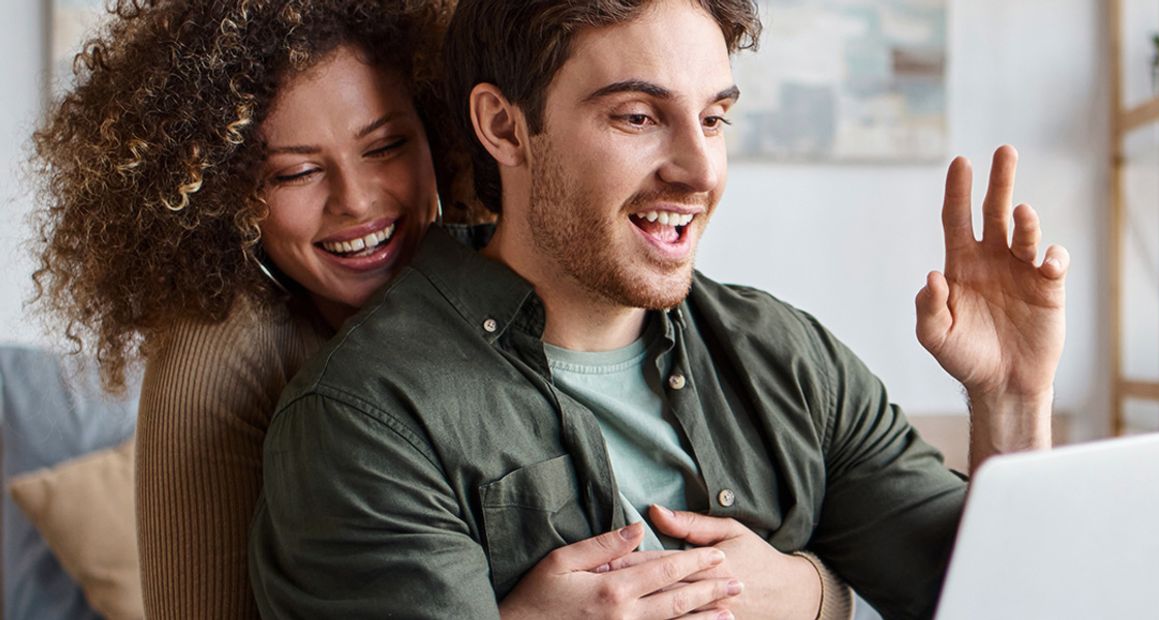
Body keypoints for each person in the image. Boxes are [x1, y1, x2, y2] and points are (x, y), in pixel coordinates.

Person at [250, 1, 1070, 620]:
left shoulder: (784, 354)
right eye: (637, 117)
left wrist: (1010, 400)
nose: (700, 169)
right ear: (504, 127)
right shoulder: (368, 416)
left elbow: (999, 602)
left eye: (714, 117)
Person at [29, 1, 465, 616]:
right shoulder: (216, 358)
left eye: (386, 146)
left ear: (439, 131)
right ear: (221, 196)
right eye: (297, 173)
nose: (358, 200)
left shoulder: (495, 275)